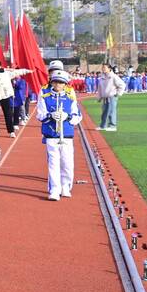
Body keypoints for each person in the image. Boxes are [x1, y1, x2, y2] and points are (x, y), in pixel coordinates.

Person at [37, 70, 82, 200]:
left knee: (67, 163)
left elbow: (78, 115)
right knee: (53, 163)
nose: (58, 85)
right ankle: (54, 190)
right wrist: (50, 115)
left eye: (61, 82)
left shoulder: (70, 96)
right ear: (52, 82)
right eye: (56, 82)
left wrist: (67, 117)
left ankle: (66, 186)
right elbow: (40, 115)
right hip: (51, 134)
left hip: (67, 135)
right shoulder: (45, 96)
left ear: (65, 84)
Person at [96, 63, 125, 132]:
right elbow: (99, 88)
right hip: (105, 97)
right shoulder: (102, 77)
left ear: (109, 69)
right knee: (104, 112)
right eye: (102, 68)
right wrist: (99, 97)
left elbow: (122, 85)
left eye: (105, 68)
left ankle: (112, 126)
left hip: (112, 96)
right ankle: (103, 126)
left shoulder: (113, 76)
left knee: (112, 111)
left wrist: (118, 93)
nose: (103, 69)